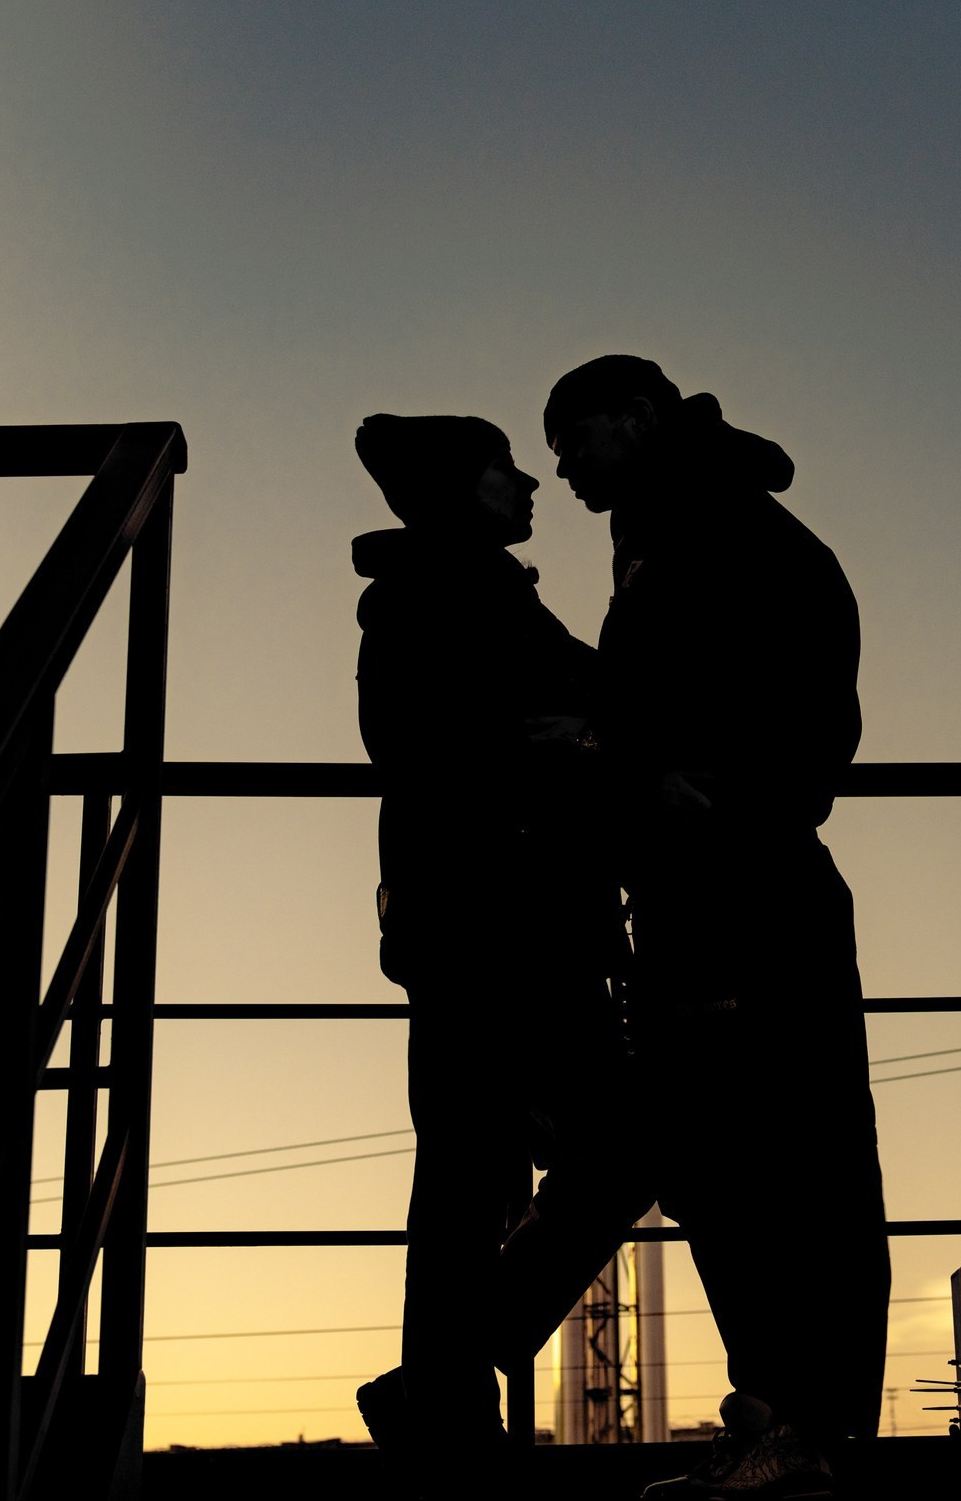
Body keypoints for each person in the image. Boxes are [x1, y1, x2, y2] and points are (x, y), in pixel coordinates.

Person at [543, 355, 888, 1500]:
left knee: (774, 1167)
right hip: (715, 885)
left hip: (739, 886)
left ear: (635, 417)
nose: (565, 472)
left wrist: (705, 788)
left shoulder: (714, 531)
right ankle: (792, 1427)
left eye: (574, 440)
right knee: (740, 1164)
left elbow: (795, 701)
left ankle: (810, 1434)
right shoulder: (681, 528)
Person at [346, 413, 629, 1488]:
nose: (530, 485)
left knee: (479, 1174)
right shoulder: (430, 597)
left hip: (507, 922)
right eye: (505, 467)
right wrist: (558, 741)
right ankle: (444, 1399)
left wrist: (582, 730)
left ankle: (439, 1389)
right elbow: (423, 747)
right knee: (561, 1153)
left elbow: (595, 693)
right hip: (495, 925)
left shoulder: (489, 594)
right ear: (460, 486)